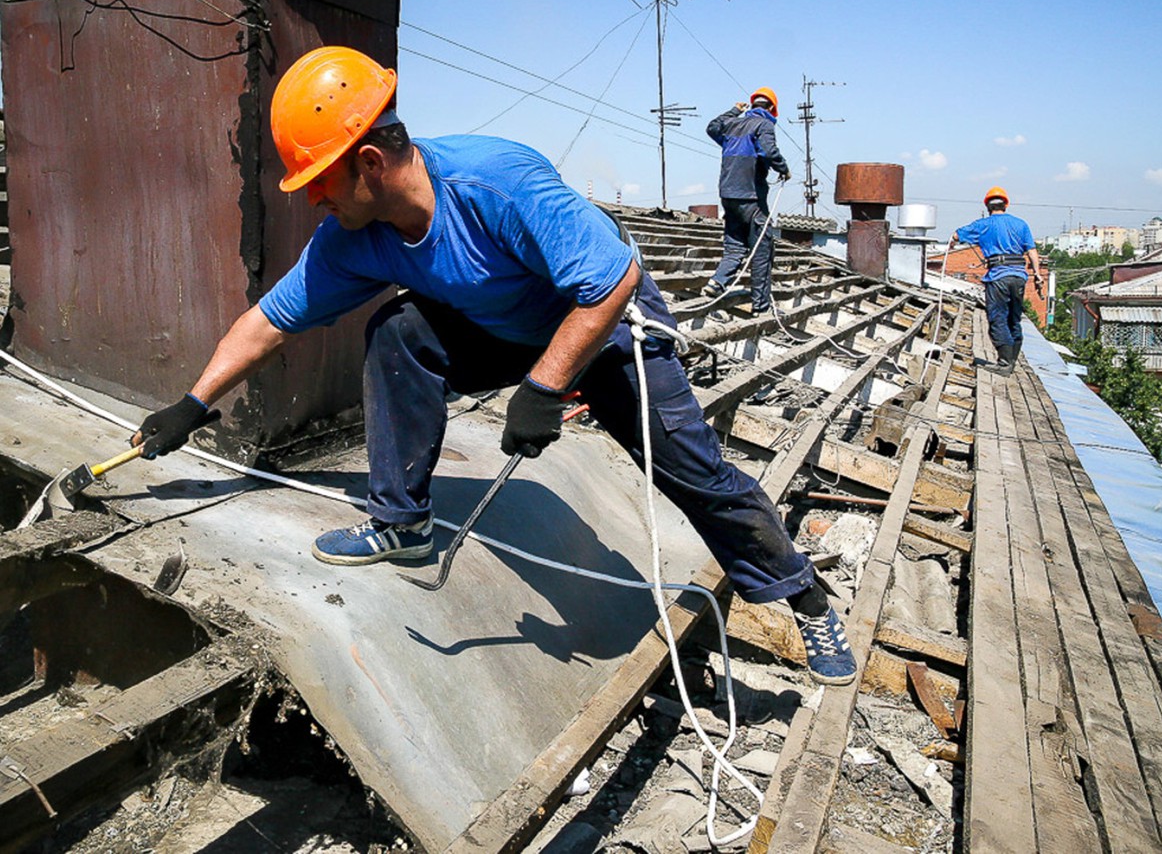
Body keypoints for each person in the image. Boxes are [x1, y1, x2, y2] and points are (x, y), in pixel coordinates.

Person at [129, 47, 855, 685]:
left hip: (605, 325)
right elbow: (267, 323)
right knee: (400, 328)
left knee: (693, 474)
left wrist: (543, 388)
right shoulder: (352, 238)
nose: (315, 198)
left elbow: (608, 284)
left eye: (320, 180)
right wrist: (193, 405)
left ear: (371, 163)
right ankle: (402, 524)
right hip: (507, 330)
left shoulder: (496, 180)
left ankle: (803, 596)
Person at [701, 87, 790, 314]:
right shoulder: (764, 124)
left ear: (752, 105)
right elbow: (769, 153)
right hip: (750, 196)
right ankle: (761, 306)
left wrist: (733, 111)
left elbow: (712, 127)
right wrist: (784, 169)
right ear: (771, 108)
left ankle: (717, 282)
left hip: (728, 194)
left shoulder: (733, 124)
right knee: (762, 249)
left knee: (735, 245)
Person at [949, 186, 1044, 375]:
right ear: (1005, 205)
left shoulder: (983, 225)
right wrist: (1038, 274)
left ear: (987, 206)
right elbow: (1032, 251)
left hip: (998, 277)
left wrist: (952, 240)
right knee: (1014, 318)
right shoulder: (1021, 224)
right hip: (1018, 277)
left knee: (997, 317)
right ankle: (1012, 361)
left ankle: (1004, 364)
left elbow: (957, 235)